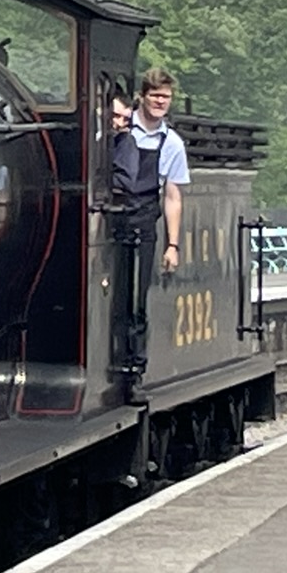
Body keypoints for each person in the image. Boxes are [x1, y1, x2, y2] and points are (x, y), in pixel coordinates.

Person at [113, 68, 190, 395]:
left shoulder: (171, 143)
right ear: (142, 96)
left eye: (166, 97)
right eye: (155, 95)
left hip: (143, 219)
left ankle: (134, 368)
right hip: (111, 215)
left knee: (136, 300)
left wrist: (172, 244)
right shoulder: (120, 124)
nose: (161, 102)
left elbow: (172, 196)